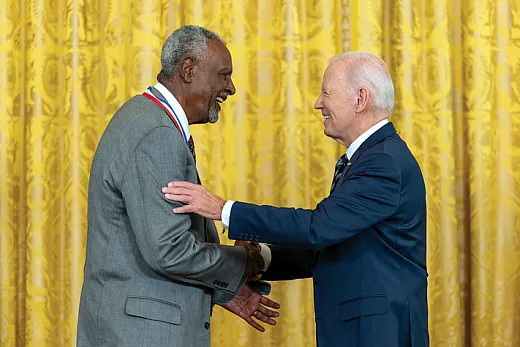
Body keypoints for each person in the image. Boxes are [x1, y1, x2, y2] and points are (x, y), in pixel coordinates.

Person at [163, 52, 430, 347]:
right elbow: (334, 246)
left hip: (378, 333)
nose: (318, 103)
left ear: (360, 99)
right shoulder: (370, 158)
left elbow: (319, 227)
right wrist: (261, 259)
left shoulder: (382, 162)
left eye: (326, 93)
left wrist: (224, 210)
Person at [77, 25, 279, 347]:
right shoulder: (156, 133)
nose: (231, 88)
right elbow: (168, 250)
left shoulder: (147, 118)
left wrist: (223, 290)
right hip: (142, 335)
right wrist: (243, 261)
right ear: (188, 69)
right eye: (224, 75)